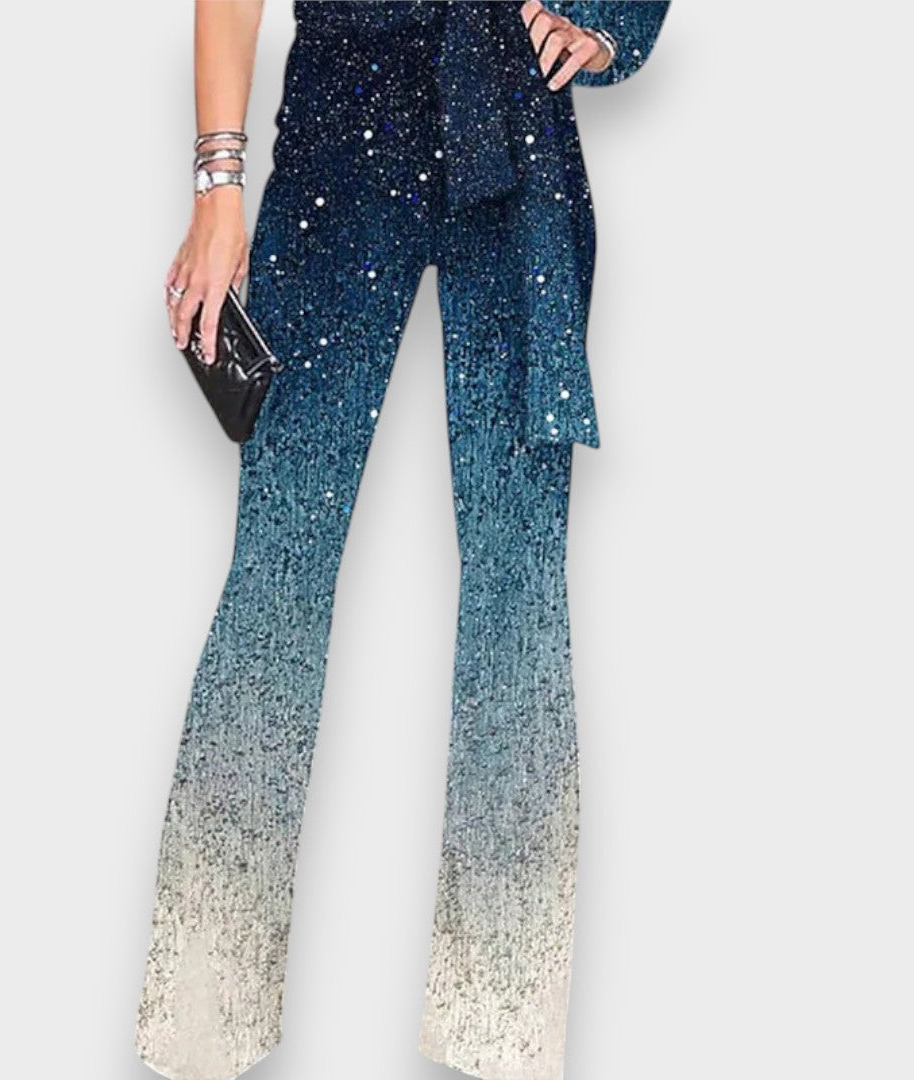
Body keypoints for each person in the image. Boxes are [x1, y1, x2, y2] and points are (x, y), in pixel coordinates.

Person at [137, 3, 671, 1079]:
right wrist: (217, 186)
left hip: (515, 130)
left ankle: (502, 1024)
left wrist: (610, 18)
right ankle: (202, 1010)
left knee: (519, 586)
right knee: (278, 569)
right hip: (344, 116)